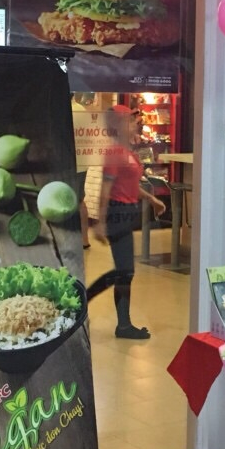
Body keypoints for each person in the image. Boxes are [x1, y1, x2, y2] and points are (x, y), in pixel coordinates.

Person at [93, 143, 166, 340]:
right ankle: (123, 325)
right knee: (124, 271)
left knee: (125, 271)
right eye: (133, 125)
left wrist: (151, 199)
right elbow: (106, 189)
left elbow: (130, 185)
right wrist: (100, 221)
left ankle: (123, 323)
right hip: (116, 214)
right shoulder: (115, 152)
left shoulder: (128, 152)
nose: (136, 127)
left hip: (125, 215)